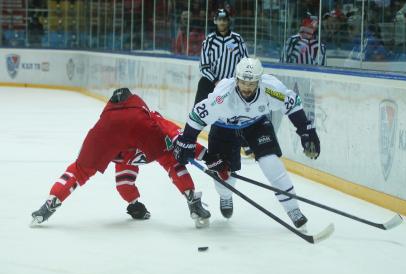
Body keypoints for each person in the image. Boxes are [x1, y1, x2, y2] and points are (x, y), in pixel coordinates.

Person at [173, 58, 320, 229]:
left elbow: (292, 103)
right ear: (236, 79)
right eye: (243, 82)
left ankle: (293, 209)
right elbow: (197, 115)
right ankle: (225, 194)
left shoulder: (271, 88)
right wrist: (187, 141)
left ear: (259, 80)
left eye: (252, 83)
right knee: (224, 174)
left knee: (271, 163)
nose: (247, 88)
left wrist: (306, 131)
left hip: (256, 125)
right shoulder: (222, 96)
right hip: (224, 127)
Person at [31, 88, 211, 228]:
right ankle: (192, 199)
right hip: (140, 140)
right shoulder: (147, 114)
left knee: (80, 170)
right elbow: (176, 135)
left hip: (111, 144)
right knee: (171, 160)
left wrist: (132, 202)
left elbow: (123, 186)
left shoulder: (105, 119)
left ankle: (50, 203)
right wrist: (204, 154)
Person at [195, 8, 248, 105]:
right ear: (215, 21)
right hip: (212, 83)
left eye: (224, 19)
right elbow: (203, 67)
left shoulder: (237, 39)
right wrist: (216, 81)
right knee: (202, 86)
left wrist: (236, 81)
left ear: (229, 21)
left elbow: (245, 62)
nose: (222, 22)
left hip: (232, 85)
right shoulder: (209, 41)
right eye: (219, 19)